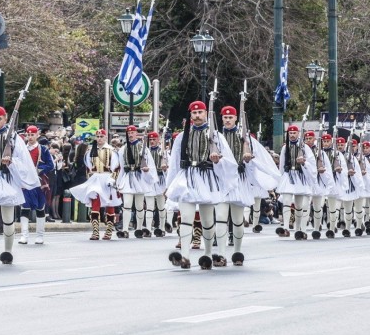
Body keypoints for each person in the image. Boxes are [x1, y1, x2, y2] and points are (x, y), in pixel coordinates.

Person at [165, 101, 237, 270]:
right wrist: (170, 185)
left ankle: (208, 253)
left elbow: (229, 160)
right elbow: (175, 162)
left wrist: (217, 159)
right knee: (186, 217)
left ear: (206, 114)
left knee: (206, 220)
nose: (197, 116)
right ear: (190, 115)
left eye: (200, 113)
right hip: (188, 177)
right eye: (194, 113)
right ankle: (185, 256)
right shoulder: (182, 136)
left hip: (207, 178)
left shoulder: (216, 136)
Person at [0, 106, 38, 265]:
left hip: (8, 179)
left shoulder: (15, 138)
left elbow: (24, 161)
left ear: (5, 118)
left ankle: (7, 252)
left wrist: (11, 161)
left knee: (8, 220)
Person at [219, 105, 277, 265]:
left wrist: (248, 159)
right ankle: (221, 254)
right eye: (225, 117)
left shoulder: (245, 136)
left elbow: (257, 158)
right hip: (222, 180)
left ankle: (237, 252)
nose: (228, 119)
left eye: (231, 117)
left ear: (236, 118)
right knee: (221, 218)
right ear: (222, 118)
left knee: (238, 219)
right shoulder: (217, 136)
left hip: (239, 179)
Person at [69, 130, 121, 240]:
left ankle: (108, 231)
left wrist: (112, 179)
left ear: (106, 137)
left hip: (107, 178)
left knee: (109, 204)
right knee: (95, 204)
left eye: (101, 136)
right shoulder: (90, 151)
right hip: (96, 178)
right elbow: (88, 167)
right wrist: (90, 178)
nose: (99, 138)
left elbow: (116, 168)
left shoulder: (111, 151)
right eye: (98, 136)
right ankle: (95, 232)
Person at [112, 125, 155, 239]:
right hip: (127, 176)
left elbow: (149, 163)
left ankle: (139, 228)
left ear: (136, 133)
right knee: (126, 204)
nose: (130, 135)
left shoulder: (142, 147)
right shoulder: (123, 149)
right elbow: (121, 166)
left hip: (139, 177)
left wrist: (147, 170)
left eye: (132, 133)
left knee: (139, 205)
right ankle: (125, 229)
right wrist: (119, 181)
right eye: (128, 133)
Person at [276, 125, 317, 240]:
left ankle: (300, 229)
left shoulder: (304, 147)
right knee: (286, 201)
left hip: (301, 176)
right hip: (289, 176)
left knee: (300, 206)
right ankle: (286, 228)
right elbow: (282, 164)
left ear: (298, 134)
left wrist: (304, 163)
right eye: (290, 133)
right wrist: (281, 179)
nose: (292, 135)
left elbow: (312, 162)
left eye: (294, 133)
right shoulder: (285, 147)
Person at [20, 125, 53, 245]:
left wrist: (39, 169)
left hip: (39, 182)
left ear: (37, 135)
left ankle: (40, 235)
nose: (30, 137)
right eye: (28, 135)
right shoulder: (22, 149)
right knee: (24, 208)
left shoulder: (43, 149)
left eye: (32, 134)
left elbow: (51, 165)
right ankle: (24, 235)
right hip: (25, 182)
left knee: (40, 208)